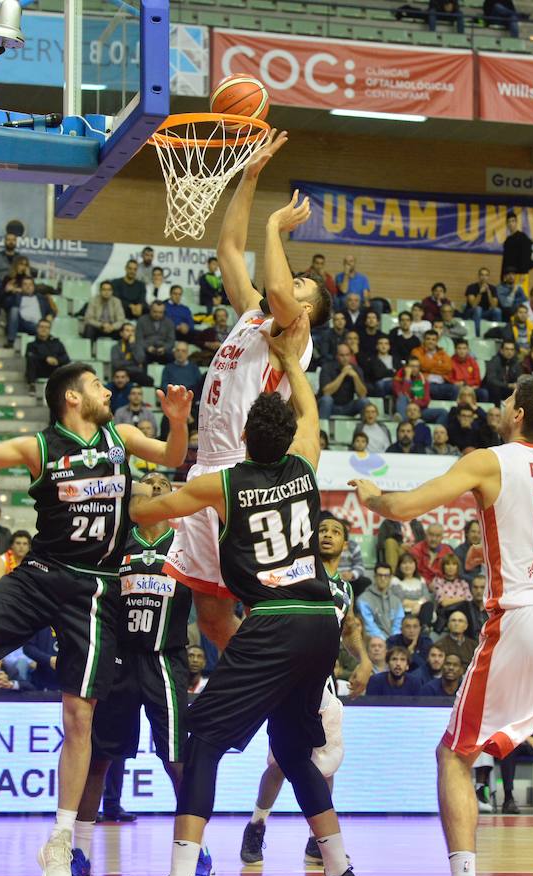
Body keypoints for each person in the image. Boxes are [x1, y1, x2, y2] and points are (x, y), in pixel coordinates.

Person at [130, 316, 365, 876]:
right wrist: (289, 360)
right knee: (289, 746)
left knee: (203, 736)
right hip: (319, 626)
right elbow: (309, 413)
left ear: (244, 440)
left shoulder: (225, 484)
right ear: (287, 441)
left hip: (275, 619)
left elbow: (145, 517)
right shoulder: (306, 467)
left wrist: (152, 493)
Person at [0, 362, 192, 876]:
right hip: (42, 574)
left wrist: (179, 421)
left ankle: (61, 839)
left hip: (97, 588)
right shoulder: (39, 446)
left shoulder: (124, 437)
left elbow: (173, 456)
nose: (107, 389)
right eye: (97, 384)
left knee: (79, 716)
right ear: (72, 397)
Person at [349, 374, 533, 876]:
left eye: (508, 398)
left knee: (455, 754)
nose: (502, 403)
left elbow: (405, 510)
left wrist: (373, 494)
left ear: (518, 416)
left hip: (523, 617)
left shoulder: (489, 459)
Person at [164, 132, 331, 658]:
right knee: (212, 614)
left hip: (244, 473)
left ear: (308, 313)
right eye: (298, 279)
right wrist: (249, 177)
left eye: (305, 286)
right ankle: (259, 679)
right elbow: (227, 249)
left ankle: (286, 682)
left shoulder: (295, 332)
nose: (295, 282)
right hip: (205, 465)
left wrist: (273, 227)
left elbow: (280, 290)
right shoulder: (253, 317)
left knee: (261, 600)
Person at [71, 472, 214, 876]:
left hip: (165, 661)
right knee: (98, 757)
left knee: (177, 760)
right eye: (146, 480)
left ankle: (195, 851)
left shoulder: (187, 546)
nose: (153, 484)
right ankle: (80, 852)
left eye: (161, 483)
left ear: (174, 497)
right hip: (119, 659)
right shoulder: (117, 545)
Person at [239, 513, 371, 867]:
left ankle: (318, 839)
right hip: (288, 678)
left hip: (324, 683)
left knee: (326, 766)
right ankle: (257, 824)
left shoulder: (345, 588)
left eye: (335, 531)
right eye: (322, 530)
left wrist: (364, 661)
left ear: (346, 543)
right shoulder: (298, 574)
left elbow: (351, 628)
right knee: (280, 762)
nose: (327, 535)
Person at [6, 276, 57, 347]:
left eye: (30, 284)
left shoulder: (41, 298)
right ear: (21, 287)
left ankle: (47, 342)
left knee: (43, 326)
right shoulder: (16, 296)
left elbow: (50, 310)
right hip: (22, 323)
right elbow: (2, 303)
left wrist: (51, 314)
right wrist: (7, 292)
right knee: (14, 309)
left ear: (33, 286)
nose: (28, 287)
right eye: (25, 284)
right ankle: (10, 341)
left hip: (38, 324)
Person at [356, 563, 404, 639]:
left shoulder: (396, 600)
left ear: (391, 578)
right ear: (374, 577)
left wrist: (394, 640)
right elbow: (369, 626)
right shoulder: (363, 599)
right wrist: (386, 641)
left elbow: (398, 624)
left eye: (386, 576)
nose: (383, 578)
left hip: (394, 643)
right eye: (380, 575)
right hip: (373, 643)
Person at [25, 319, 70, 391]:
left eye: (46, 327)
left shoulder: (57, 343)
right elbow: (30, 356)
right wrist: (45, 359)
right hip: (39, 370)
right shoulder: (31, 345)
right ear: (37, 328)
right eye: (41, 327)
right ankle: (32, 385)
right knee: (31, 359)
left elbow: (66, 358)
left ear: (49, 330)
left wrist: (57, 360)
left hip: (54, 370)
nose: (44, 329)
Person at [411, 330, 456, 401]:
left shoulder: (443, 353)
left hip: (441, 384)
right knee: (418, 387)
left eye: (433, 339)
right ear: (424, 340)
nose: (430, 341)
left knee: (455, 389)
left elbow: (448, 368)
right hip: (423, 382)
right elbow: (422, 365)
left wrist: (428, 366)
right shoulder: (416, 351)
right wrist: (439, 364)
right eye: (428, 339)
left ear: (437, 341)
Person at [391, 552, 432, 623]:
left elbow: (427, 597)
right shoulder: (395, 580)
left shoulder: (421, 580)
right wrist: (419, 604)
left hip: (421, 610)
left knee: (429, 605)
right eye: (404, 563)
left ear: (415, 565)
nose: (408, 566)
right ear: (399, 566)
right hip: (404, 611)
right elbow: (402, 601)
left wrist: (419, 605)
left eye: (410, 563)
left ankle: (424, 629)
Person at [110, 322, 153, 387]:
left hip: (135, 373)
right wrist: (134, 363)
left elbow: (140, 360)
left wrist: (132, 345)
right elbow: (116, 364)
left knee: (149, 380)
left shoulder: (138, 346)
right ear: (121, 333)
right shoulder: (115, 347)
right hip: (121, 374)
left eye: (132, 331)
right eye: (127, 330)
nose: (130, 333)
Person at [462, 267, 502, 337]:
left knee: (497, 311)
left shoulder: (492, 288)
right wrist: (480, 293)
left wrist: (489, 293)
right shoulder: (471, 287)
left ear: (488, 277)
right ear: (478, 276)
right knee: (478, 309)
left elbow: (494, 306)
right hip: (470, 312)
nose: (484, 277)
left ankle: (496, 334)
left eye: (486, 275)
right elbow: (473, 305)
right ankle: (477, 335)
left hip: (484, 313)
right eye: (482, 275)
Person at [136, 300, 176, 365]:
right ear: (150, 310)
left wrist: (164, 348)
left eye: (160, 312)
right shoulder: (142, 320)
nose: (157, 315)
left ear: (164, 312)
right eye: (155, 312)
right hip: (147, 350)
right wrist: (147, 347)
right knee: (139, 355)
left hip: (163, 350)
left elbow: (171, 341)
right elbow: (139, 339)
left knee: (173, 357)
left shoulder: (169, 322)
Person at [482, 340, 521, 405]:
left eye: (512, 349)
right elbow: (491, 380)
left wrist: (516, 384)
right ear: (501, 350)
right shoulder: (494, 361)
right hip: (493, 389)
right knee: (495, 389)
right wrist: (508, 385)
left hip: (507, 389)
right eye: (507, 349)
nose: (509, 352)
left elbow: (519, 378)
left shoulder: (515, 363)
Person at [501, 209, 533, 282]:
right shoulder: (507, 241)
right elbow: (505, 261)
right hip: (508, 276)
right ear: (506, 224)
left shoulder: (522, 237)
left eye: (513, 221)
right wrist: (502, 276)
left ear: (516, 222)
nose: (511, 223)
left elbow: (525, 256)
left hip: (520, 275)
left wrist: (524, 273)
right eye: (509, 221)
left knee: (521, 293)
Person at [24, 626, 59, 691]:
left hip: (72, 680)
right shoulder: (40, 622)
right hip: (44, 679)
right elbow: (28, 647)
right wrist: (49, 660)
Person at [454, 520, 484, 585]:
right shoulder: (459, 551)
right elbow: (458, 574)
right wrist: (476, 581)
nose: (476, 535)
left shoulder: (485, 551)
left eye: (479, 532)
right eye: (473, 532)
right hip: (465, 587)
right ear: (467, 533)